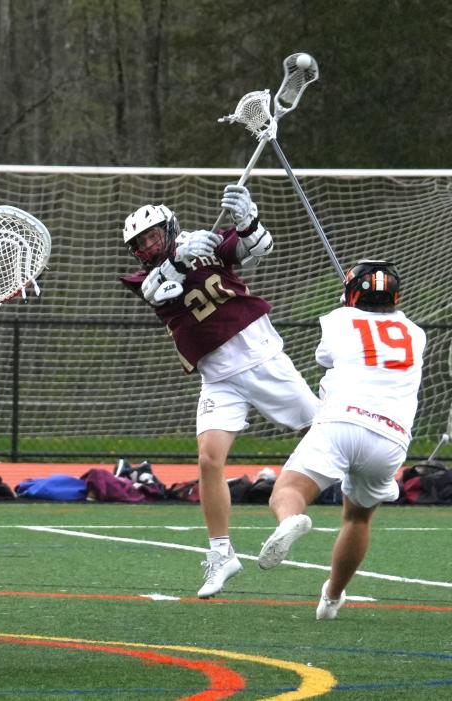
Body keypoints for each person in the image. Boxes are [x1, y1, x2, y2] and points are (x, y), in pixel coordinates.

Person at [119, 185, 318, 598]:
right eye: (141, 243)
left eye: (153, 235)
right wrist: (179, 257)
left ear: (169, 227)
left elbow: (258, 247)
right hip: (217, 374)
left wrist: (247, 221)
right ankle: (222, 553)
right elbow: (157, 289)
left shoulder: (206, 244)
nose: (148, 245)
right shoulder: (145, 276)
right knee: (209, 460)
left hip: (258, 354)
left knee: (319, 429)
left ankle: (366, 473)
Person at [257, 260, 425, 620]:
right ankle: (332, 597)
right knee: (358, 518)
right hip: (391, 436)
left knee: (289, 491)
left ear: (351, 294)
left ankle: (291, 519)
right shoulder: (415, 332)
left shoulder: (337, 320)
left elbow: (325, 358)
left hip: (342, 421)